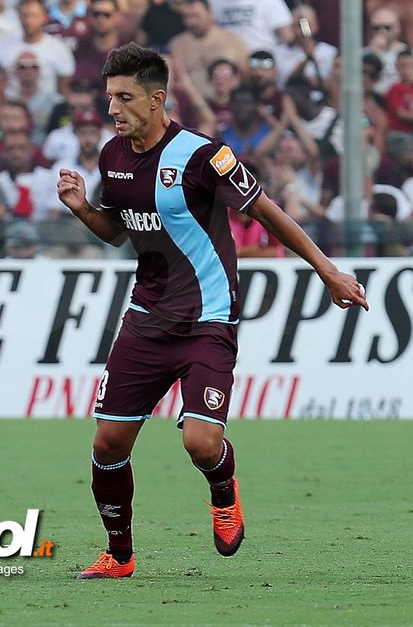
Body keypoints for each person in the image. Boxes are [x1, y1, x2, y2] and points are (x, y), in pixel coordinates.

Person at [56, 43, 367, 579]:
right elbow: (117, 233)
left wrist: (326, 269)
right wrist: (85, 209)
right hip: (146, 317)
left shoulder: (204, 157)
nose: (113, 109)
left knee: (201, 444)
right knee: (108, 442)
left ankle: (223, 491)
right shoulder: (113, 156)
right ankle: (119, 555)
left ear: (157, 99)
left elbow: (268, 213)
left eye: (125, 98)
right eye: (110, 97)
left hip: (208, 319)